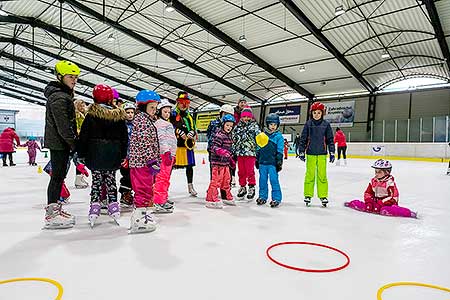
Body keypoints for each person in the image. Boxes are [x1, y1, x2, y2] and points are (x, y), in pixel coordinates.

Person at [77, 84, 128, 228]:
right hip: (113, 155)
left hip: (95, 155)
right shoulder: (118, 116)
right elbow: (124, 138)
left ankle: (94, 206)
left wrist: (81, 154)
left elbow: (83, 137)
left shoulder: (91, 115)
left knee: (97, 182)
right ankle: (113, 205)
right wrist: (123, 155)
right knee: (111, 181)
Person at [43, 60, 80, 229]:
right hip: (59, 143)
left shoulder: (63, 95)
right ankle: (52, 214)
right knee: (57, 177)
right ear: (60, 77)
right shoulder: (59, 97)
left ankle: (56, 208)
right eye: (70, 76)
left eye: (76, 77)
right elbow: (63, 125)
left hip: (60, 142)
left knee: (59, 177)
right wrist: (74, 144)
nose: (74, 80)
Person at [128, 90, 161, 233]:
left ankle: (143, 216)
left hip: (143, 162)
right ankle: (139, 220)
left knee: (147, 189)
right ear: (142, 107)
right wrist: (151, 160)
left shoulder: (146, 119)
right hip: (142, 162)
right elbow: (145, 142)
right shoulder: (142, 120)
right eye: (151, 107)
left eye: (155, 107)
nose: (154, 110)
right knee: (142, 190)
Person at [345, 159, 417, 218]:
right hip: (375, 202)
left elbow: (393, 197)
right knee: (364, 206)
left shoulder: (390, 183)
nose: (376, 174)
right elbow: (368, 193)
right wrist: (369, 201)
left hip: (388, 204)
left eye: (379, 172)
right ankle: (351, 203)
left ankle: (408, 213)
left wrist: (381, 203)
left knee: (384, 210)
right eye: (375, 172)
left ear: (387, 173)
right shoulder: (373, 181)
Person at [298, 102, 335, 207]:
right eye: (314, 112)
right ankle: (308, 195)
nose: (317, 115)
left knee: (322, 176)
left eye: (319, 112)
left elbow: (330, 140)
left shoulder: (326, 125)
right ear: (311, 113)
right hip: (310, 154)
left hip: (322, 154)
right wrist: (301, 151)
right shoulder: (308, 124)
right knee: (310, 175)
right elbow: (303, 138)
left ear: (322, 113)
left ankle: (323, 195)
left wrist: (332, 151)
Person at [170, 91, 198, 196]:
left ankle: (190, 187)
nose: (184, 105)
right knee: (169, 167)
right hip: (176, 146)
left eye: (186, 102)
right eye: (181, 102)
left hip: (187, 146)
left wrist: (192, 132)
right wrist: (177, 130)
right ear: (177, 103)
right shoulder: (172, 114)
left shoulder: (189, 116)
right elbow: (167, 125)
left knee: (190, 167)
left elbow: (194, 128)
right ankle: (163, 187)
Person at [206, 114, 236, 209]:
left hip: (225, 164)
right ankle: (211, 199)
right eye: (227, 125)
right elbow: (213, 147)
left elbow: (229, 150)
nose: (229, 128)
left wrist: (230, 159)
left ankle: (226, 196)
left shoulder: (229, 136)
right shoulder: (219, 135)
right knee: (216, 181)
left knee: (226, 181)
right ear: (223, 124)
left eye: (231, 126)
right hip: (217, 163)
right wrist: (221, 151)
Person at [255, 113, 284, 208]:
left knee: (274, 180)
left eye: (275, 124)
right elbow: (258, 147)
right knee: (262, 180)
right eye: (271, 124)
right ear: (267, 124)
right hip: (263, 162)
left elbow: (280, 150)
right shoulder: (262, 135)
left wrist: (279, 161)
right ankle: (262, 196)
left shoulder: (278, 136)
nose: (273, 126)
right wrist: (257, 158)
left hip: (272, 163)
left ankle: (276, 198)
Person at [153, 99, 177, 213]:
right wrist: (167, 152)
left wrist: (173, 154)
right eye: (165, 112)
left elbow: (172, 140)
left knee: (166, 179)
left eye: (168, 112)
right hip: (164, 155)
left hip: (169, 155)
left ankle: (163, 197)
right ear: (159, 112)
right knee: (162, 178)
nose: (167, 114)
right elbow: (162, 139)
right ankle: (158, 201)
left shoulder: (167, 123)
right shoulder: (160, 124)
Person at [232, 106, 260, 202]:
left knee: (250, 171)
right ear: (241, 117)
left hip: (250, 153)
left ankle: (251, 187)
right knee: (241, 172)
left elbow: (259, 138)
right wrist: (233, 150)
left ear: (251, 117)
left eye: (248, 116)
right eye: (244, 116)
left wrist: (258, 150)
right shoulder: (237, 127)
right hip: (240, 153)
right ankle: (242, 187)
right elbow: (234, 139)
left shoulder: (254, 126)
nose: (246, 118)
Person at [118, 102, 136, 210]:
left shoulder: (136, 125)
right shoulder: (121, 125)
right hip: (125, 157)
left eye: (132, 112)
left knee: (133, 177)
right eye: (127, 112)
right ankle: (124, 194)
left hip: (134, 156)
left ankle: (129, 193)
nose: (130, 114)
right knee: (126, 176)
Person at [73, 99, 89, 188]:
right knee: (79, 160)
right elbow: (78, 127)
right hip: (79, 141)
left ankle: (80, 178)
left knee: (81, 161)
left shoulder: (84, 115)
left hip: (82, 140)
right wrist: (81, 132)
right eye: (81, 105)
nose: (83, 107)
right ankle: (78, 180)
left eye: (84, 105)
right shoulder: (77, 115)